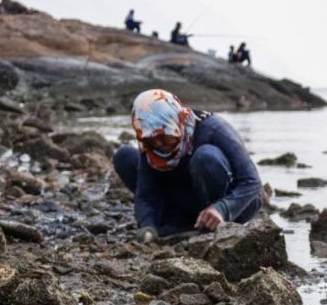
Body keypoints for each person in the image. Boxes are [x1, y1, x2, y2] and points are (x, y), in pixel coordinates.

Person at [112, 89, 262, 241]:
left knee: (206, 156)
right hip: (185, 201)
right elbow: (146, 193)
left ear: (179, 123)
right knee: (124, 156)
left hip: (230, 205)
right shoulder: (149, 144)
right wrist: (147, 225)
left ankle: (209, 225)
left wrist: (222, 209)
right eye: (151, 140)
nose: (159, 144)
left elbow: (252, 182)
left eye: (165, 137)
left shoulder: (213, 128)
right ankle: (178, 222)